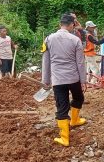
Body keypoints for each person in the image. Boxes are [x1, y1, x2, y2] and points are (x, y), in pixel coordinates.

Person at [41, 14, 87, 147]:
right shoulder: (75, 40)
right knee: (78, 98)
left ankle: (65, 138)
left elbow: (46, 61)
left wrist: (46, 80)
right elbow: (80, 62)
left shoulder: (48, 39)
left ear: (60, 24)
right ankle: (74, 119)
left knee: (62, 107)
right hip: (74, 78)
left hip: (58, 79)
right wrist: (83, 80)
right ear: (72, 25)